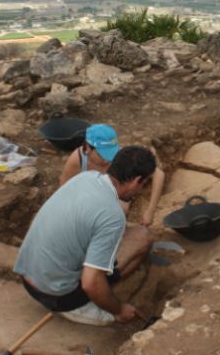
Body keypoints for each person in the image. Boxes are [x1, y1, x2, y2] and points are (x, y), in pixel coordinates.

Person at [14, 146, 158, 326]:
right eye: (144, 184)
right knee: (143, 237)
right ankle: (88, 305)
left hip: (28, 280)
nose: (140, 191)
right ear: (136, 180)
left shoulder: (85, 178)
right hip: (58, 296)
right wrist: (119, 309)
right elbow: (90, 282)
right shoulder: (112, 216)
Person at [59, 124, 164, 225]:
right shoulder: (78, 160)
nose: (106, 160)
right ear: (87, 148)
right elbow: (63, 192)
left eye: (110, 153)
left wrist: (150, 211)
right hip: (88, 199)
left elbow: (158, 174)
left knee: (119, 211)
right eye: (101, 155)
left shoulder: (121, 156)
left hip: (113, 197)